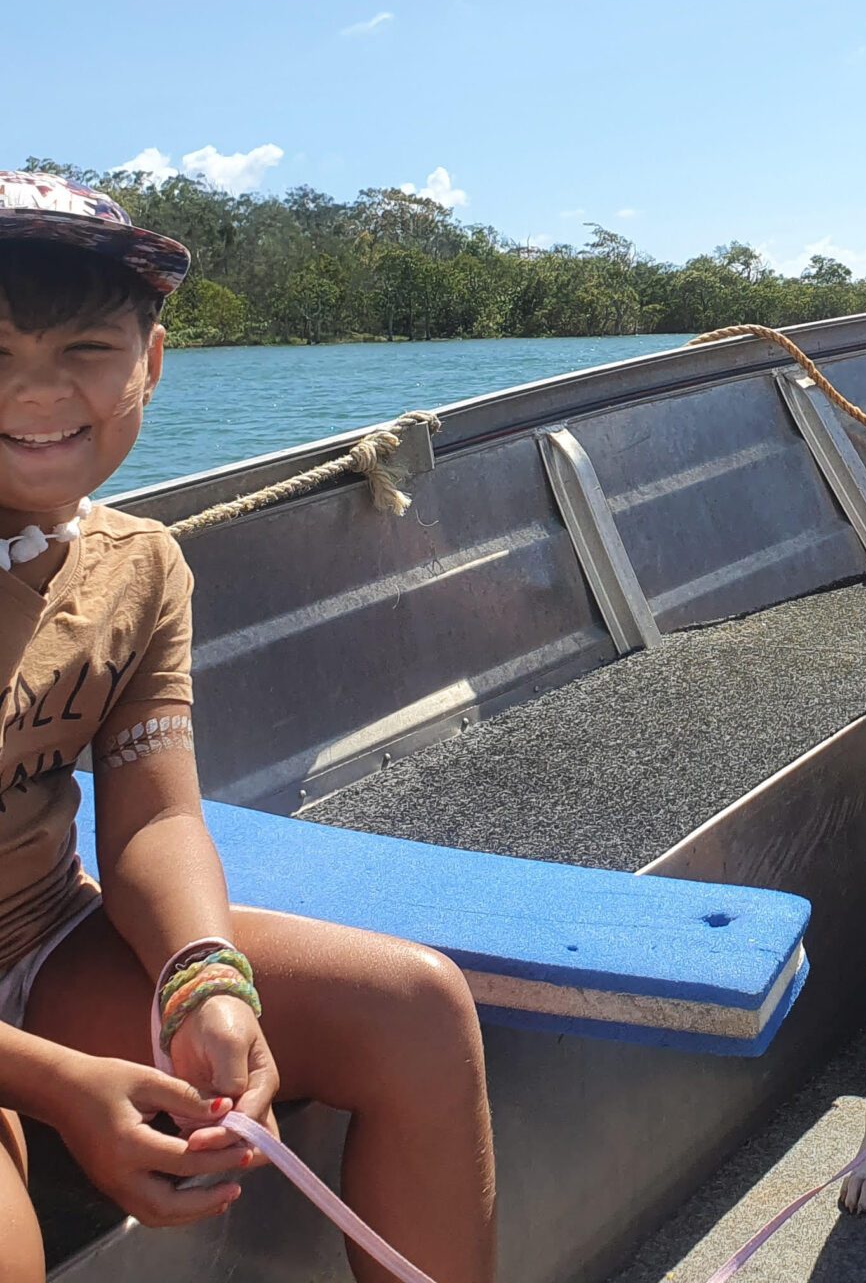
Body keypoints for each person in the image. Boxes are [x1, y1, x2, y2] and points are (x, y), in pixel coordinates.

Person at [0, 172, 496, 1282]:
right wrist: (57, 1086)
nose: (36, 392)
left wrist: (202, 977)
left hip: (35, 938)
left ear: (152, 363)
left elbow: (151, 817)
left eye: (84, 347)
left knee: (414, 1010)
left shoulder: (138, 568)